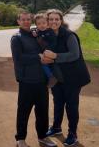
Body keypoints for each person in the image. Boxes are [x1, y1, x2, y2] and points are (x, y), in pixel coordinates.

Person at [41, 9, 91, 146]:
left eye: (56, 19)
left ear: (61, 21)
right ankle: (56, 128)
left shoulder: (69, 36)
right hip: (57, 78)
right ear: (47, 21)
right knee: (58, 103)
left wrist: (55, 57)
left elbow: (74, 55)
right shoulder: (48, 36)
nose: (53, 22)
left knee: (71, 106)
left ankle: (72, 134)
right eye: (51, 19)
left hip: (73, 78)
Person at [11, 11, 57, 147]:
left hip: (42, 81)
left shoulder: (35, 34)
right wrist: (38, 57)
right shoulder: (16, 38)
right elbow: (19, 59)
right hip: (26, 81)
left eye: (28, 19)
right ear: (18, 21)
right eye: (23, 19)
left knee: (43, 111)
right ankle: (20, 139)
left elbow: (47, 48)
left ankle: (43, 136)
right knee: (23, 111)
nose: (26, 22)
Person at [31, 13, 62, 88]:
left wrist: (48, 51)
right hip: (42, 53)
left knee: (45, 64)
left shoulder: (50, 31)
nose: (42, 25)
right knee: (42, 63)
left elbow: (54, 42)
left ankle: (51, 77)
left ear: (47, 23)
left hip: (50, 52)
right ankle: (49, 77)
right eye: (39, 24)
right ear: (36, 25)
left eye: (44, 23)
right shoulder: (38, 32)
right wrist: (34, 31)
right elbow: (33, 30)